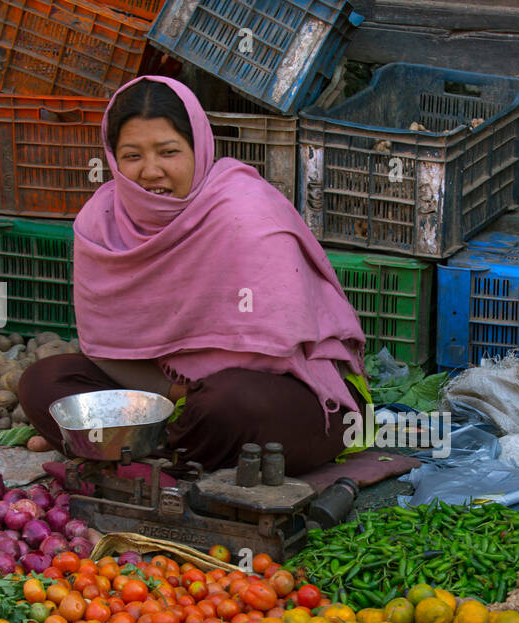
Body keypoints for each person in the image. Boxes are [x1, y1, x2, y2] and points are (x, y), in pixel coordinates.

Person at [18, 76, 367, 475]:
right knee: (44, 383)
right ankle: (172, 459)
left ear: (198, 148)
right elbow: (104, 347)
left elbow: (279, 351)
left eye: (168, 152)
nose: (151, 171)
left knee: (227, 404)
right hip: (166, 396)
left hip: (279, 396)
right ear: (112, 158)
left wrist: (192, 395)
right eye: (132, 156)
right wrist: (170, 393)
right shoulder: (102, 224)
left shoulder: (245, 212)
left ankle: (141, 462)